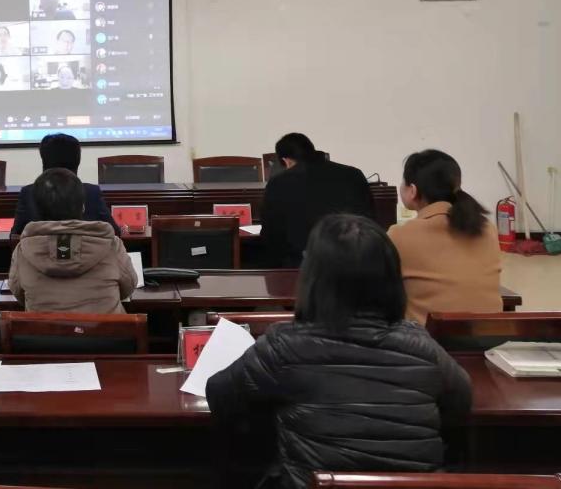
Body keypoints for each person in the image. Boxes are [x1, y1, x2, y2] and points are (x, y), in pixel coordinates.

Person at [206, 214, 471, 489]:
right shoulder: (422, 347)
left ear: (313, 278)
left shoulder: (284, 345)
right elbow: (460, 403)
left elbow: (220, 395)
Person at [389, 149, 502, 324]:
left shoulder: (399, 235)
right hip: (489, 335)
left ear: (412, 190)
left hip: (428, 340)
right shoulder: (487, 229)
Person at [9, 167, 137, 313]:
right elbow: (128, 288)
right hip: (104, 327)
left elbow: (19, 295)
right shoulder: (111, 245)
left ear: (37, 210)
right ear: (83, 207)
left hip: (44, 328)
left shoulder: (23, 250)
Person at [260, 133, 375, 267]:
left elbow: (271, 233)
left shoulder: (278, 182)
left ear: (287, 161)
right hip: (355, 261)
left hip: (299, 266)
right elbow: (369, 220)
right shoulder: (354, 174)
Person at [11, 133, 121, 236]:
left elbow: (15, 236)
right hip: (88, 250)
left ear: (44, 160)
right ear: (77, 160)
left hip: (38, 250)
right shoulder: (92, 192)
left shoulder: (28, 193)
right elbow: (115, 233)